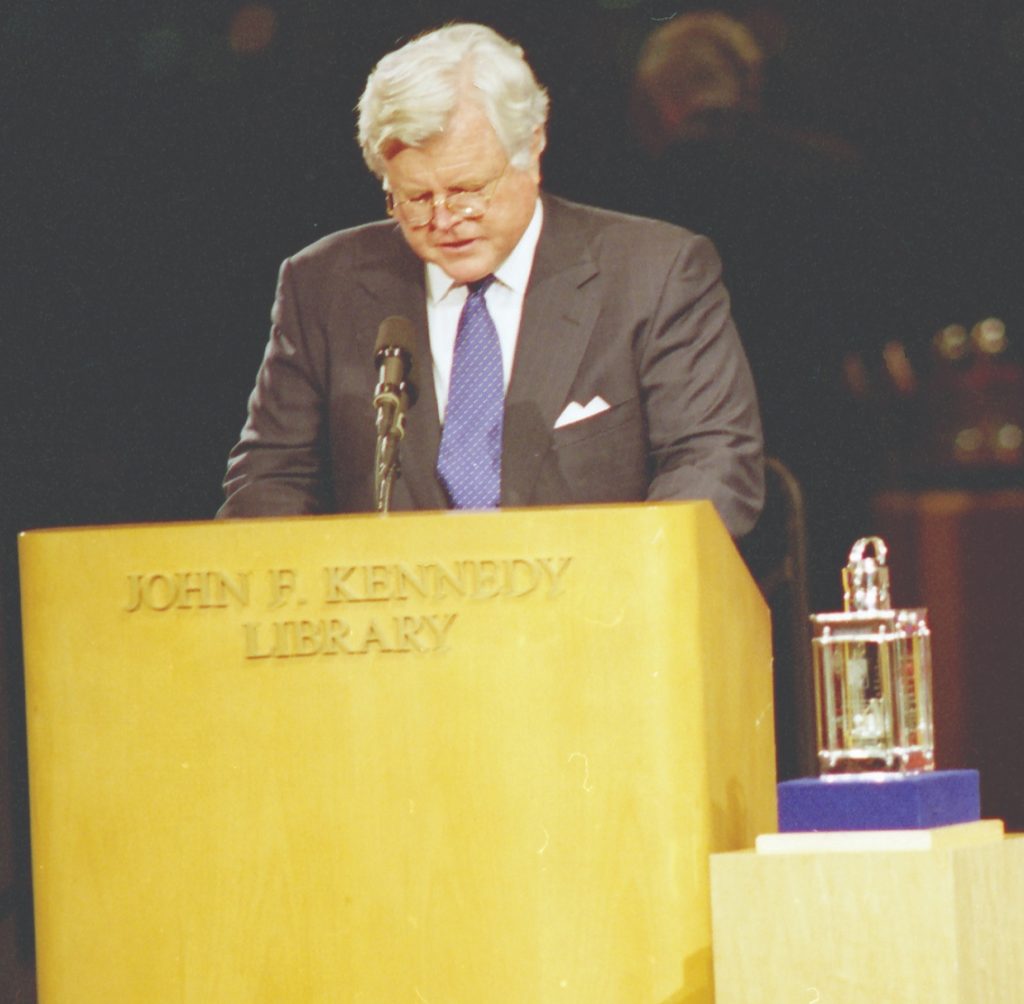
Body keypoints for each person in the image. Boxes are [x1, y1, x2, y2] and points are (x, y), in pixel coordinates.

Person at [218, 23, 764, 538]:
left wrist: (621, 587)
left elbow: (712, 463)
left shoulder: (654, 274)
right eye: (414, 198)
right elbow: (270, 481)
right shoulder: (322, 285)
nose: (444, 219)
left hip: (594, 622)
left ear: (532, 148)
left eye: (468, 189)